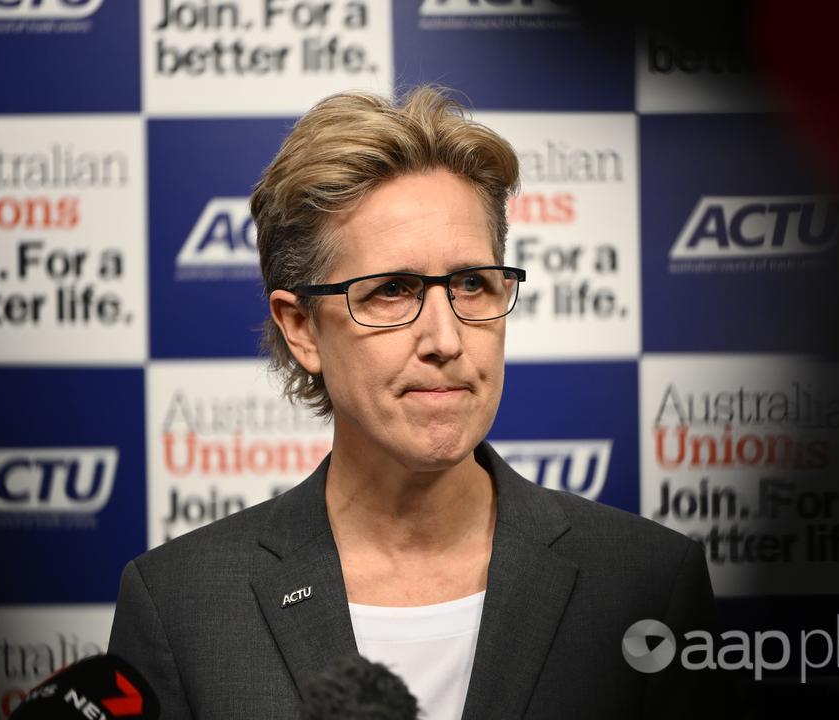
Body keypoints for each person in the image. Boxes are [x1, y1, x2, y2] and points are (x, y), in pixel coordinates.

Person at [108, 86, 743, 719]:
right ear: (301, 328)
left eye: (472, 283)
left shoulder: (648, 582)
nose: (445, 339)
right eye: (390, 290)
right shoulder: (180, 604)